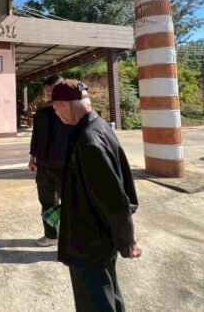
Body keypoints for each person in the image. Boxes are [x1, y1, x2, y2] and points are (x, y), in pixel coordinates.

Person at [51, 80, 141, 312]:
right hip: (98, 238)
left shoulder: (88, 140)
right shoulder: (98, 127)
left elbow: (113, 200)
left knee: (95, 301)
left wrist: (127, 240)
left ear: (66, 105)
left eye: (56, 108)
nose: (56, 113)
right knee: (108, 294)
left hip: (90, 241)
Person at [28, 75, 70, 246]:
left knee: (71, 202)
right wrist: (32, 157)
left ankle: (72, 237)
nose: (48, 91)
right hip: (44, 165)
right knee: (46, 202)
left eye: (52, 88)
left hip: (64, 166)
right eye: (46, 88)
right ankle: (52, 235)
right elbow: (35, 136)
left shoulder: (70, 110)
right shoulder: (41, 111)